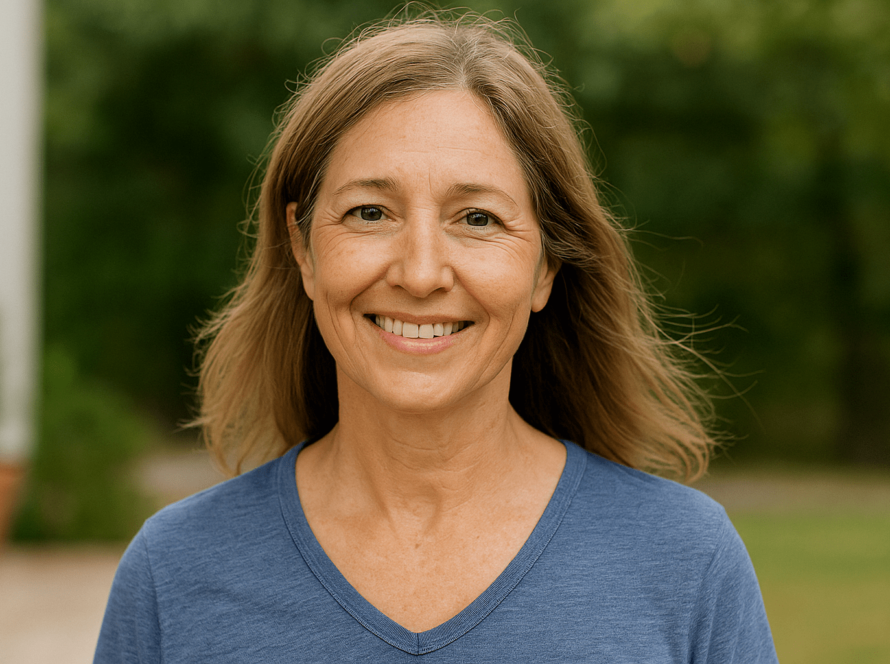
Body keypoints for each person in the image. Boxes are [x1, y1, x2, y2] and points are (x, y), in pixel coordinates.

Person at [95, 11, 778, 663]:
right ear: (303, 250)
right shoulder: (174, 572)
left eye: (477, 218)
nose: (421, 274)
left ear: (545, 266)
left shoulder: (687, 562)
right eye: (370, 212)